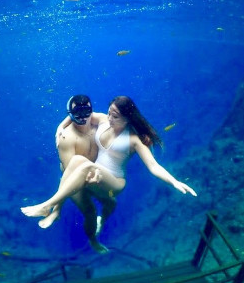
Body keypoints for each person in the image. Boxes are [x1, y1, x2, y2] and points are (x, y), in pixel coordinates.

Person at [21, 95, 197, 253]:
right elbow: (78, 113)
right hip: (96, 174)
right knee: (76, 161)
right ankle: (60, 211)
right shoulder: (104, 120)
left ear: (128, 118)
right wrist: (60, 126)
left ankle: (48, 205)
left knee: (86, 167)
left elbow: (153, 166)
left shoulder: (134, 139)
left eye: (115, 116)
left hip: (115, 182)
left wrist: (174, 181)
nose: (110, 118)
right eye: (109, 113)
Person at [38, 95, 115, 253]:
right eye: (77, 113)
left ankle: (101, 222)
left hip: (94, 174)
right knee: (90, 212)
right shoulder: (66, 137)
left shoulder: (99, 121)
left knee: (111, 203)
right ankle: (93, 240)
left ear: (91, 110)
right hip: (74, 177)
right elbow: (70, 173)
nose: (83, 117)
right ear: (70, 113)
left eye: (86, 111)